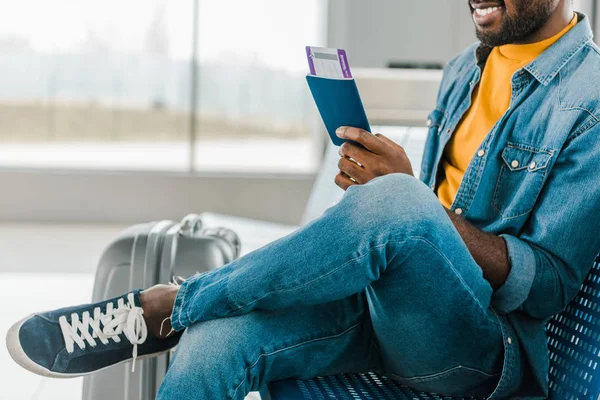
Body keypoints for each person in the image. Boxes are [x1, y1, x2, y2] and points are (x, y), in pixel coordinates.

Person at [6, 0, 600, 398]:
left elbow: (547, 281)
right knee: (217, 343)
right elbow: (436, 216)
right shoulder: (463, 72)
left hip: (478, 350)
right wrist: (396, 197)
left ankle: (166, 307)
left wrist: (410, 206)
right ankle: (181, 315)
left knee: (398, 203)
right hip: (384, 308)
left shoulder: (590, 98)